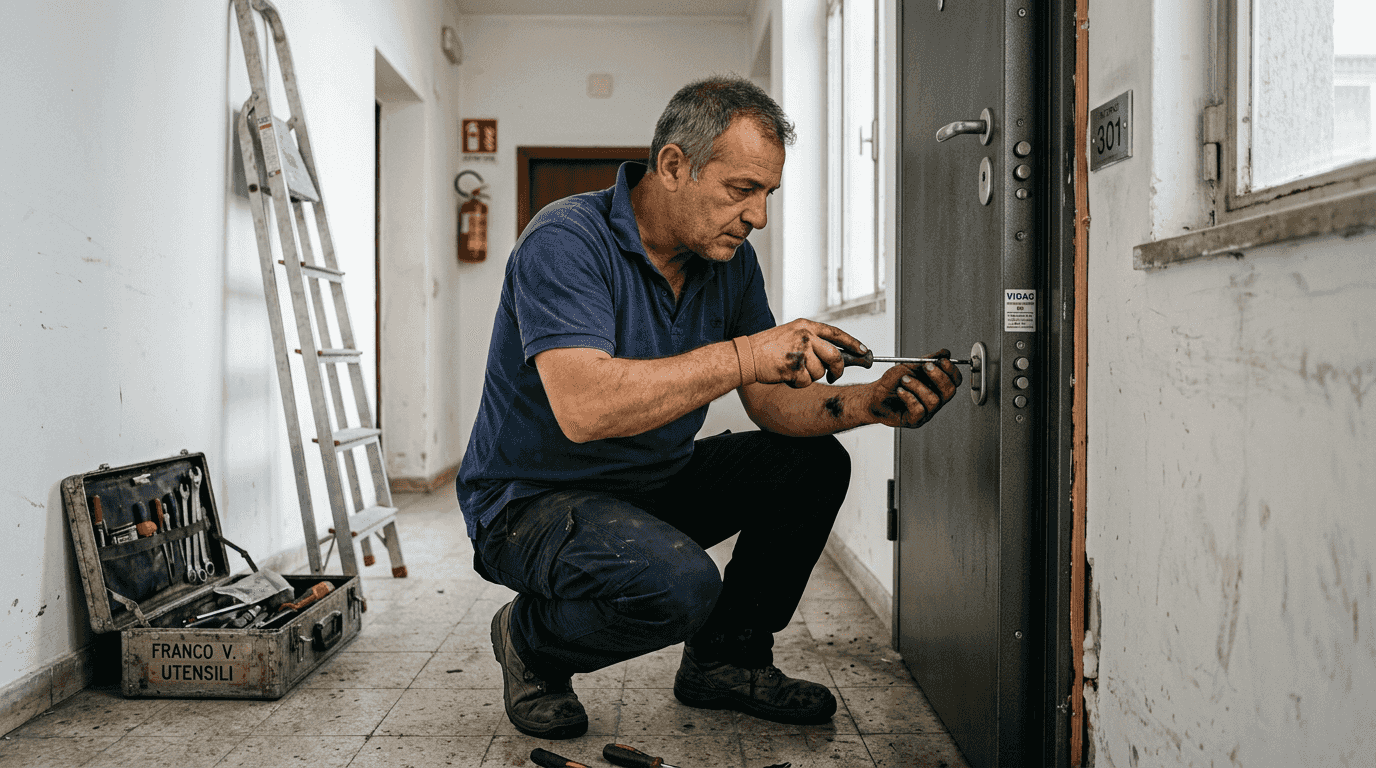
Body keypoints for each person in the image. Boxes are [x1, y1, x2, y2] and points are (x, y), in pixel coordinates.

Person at [457, 75, 962, 740]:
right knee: (681, 586)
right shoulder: (565, 241)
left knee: (810, 465)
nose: (757, 216)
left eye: (767, 195)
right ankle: (531, 640)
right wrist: (747, 353)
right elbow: (585, 408)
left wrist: (866, 401)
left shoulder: (728, 263)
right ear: (673, 165)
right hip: (530, 502)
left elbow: (772, 406)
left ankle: (726, 662)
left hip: (647, 484)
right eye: (741, 190)